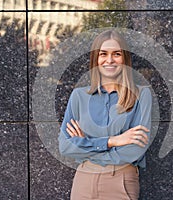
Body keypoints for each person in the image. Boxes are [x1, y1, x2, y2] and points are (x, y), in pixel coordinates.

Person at [58, 30, 152, 200]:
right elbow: (65, 146)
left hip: (121, 181)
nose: (109, 60)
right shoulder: (79, 96)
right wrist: (113, 141)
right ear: (96, 59)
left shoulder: (141, 95)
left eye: (116, 54)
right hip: (83, 181)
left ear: (125, 59)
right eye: (103, 54)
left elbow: (135, 149)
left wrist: (85, 145)